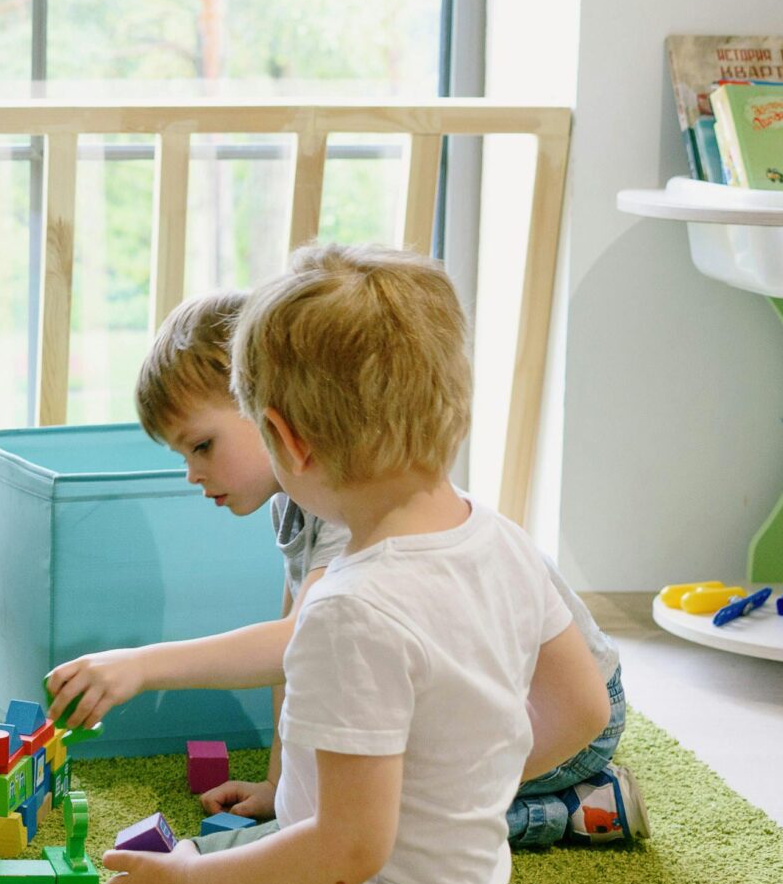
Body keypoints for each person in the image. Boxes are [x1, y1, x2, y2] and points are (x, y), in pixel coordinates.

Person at [57, 244, 610, 884]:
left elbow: (346, 852)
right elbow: (578, 709)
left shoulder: (351, 609)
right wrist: (454, 790)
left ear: (282, 437)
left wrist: (197, 882)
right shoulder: (500, 538)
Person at [51, 288, 644, 848]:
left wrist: (142, 666)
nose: (192, 474)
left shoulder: (352, 504)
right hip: (472, 692)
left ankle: (578, 808)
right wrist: (282, 788)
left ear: (269, 415)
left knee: (382, 809)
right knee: (348, 778)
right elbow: (303, 660)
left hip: (564, 712)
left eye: (202, 446)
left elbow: (293, 644)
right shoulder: (296, 499)